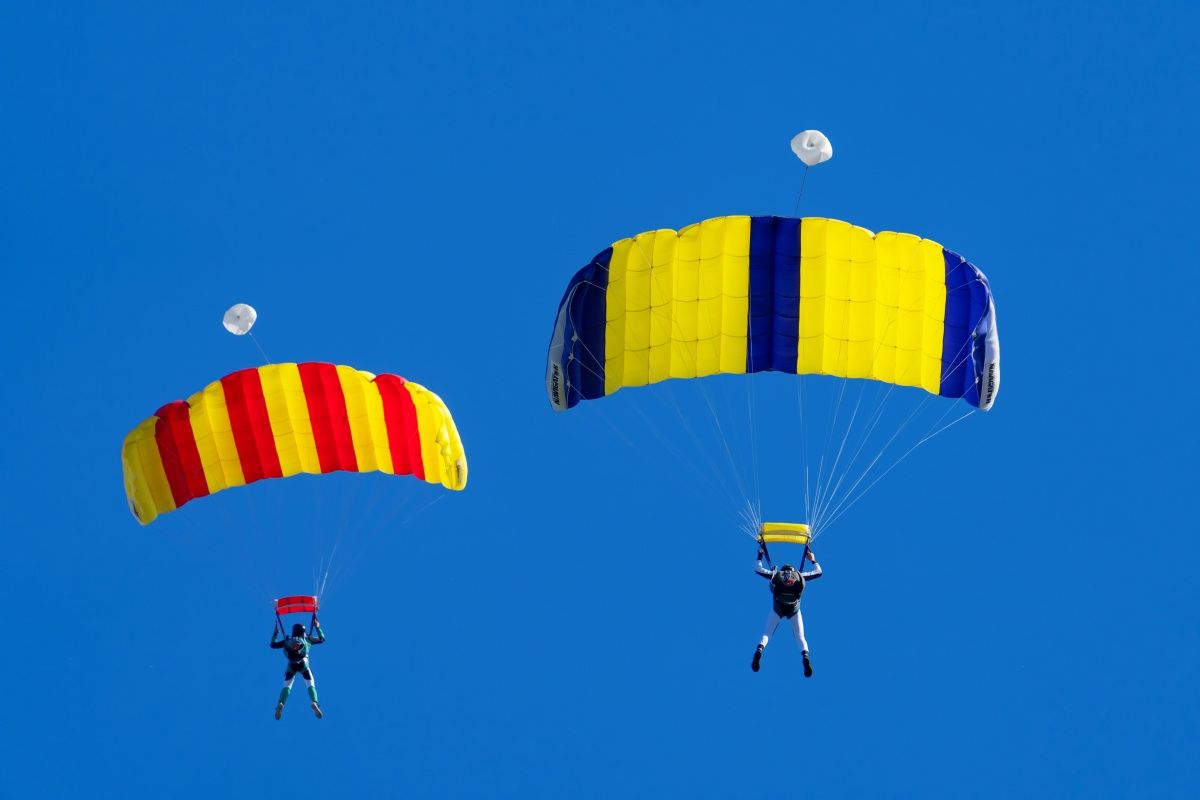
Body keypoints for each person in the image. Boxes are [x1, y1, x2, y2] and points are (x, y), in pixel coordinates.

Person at [751, 548, 822, 677]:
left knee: (767, 633)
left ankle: (760, 649)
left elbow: (757, 568)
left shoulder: (776, 574)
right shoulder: (800, 576)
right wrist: (812, 559)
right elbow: (819, 572)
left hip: (778, 607)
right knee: (800, 637)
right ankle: (805, 656)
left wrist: (760, 553)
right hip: (794, 608)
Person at [271, 620, 326, 719]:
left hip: (291, 666)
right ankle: (314, 702)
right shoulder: (308, 639)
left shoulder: (287, 640)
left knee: (287, 686)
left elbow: (273, 645)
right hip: (304, 665)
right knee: (310, 684)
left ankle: (281, 703)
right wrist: (318, 627)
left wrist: (275, 633)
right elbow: (322, 639)